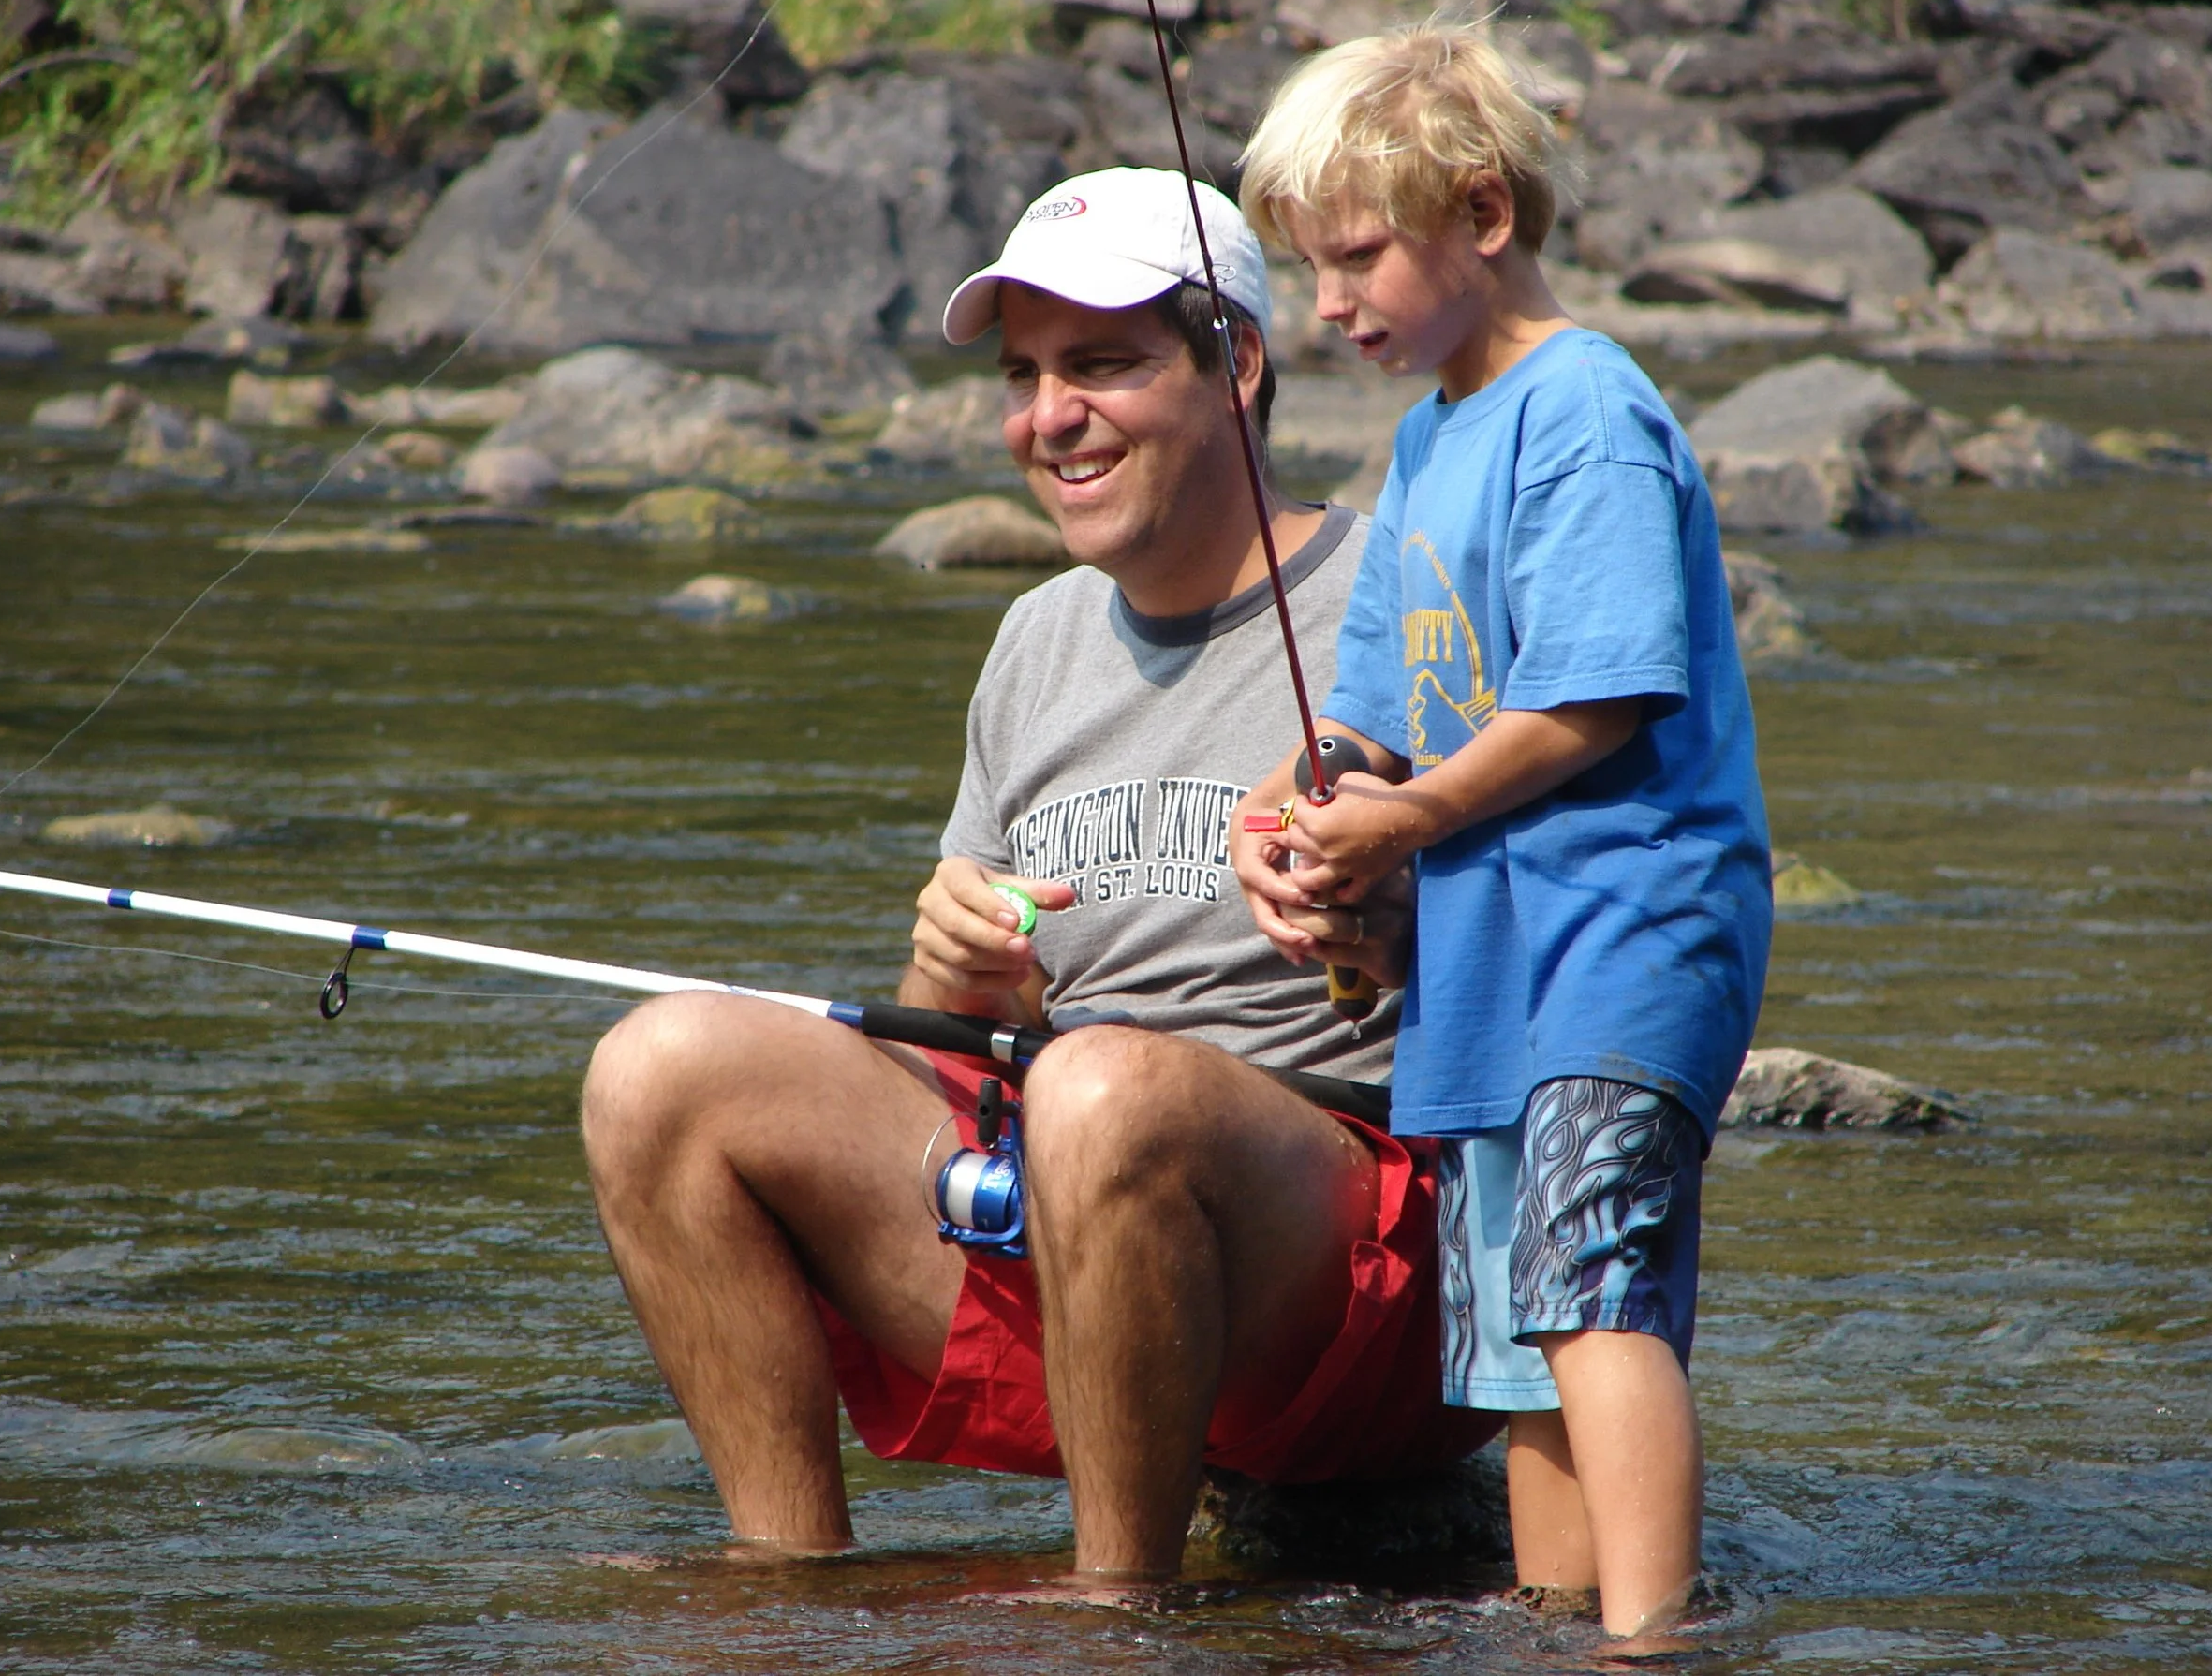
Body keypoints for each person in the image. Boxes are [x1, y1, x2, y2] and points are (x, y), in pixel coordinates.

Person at [579, 167, 1547, 1584]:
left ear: (1238, 365)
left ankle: (1116, 1613)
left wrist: (1404, 915)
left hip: (1361, 1264)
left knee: (1099, 1085)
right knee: (654, 1064)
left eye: (1101, 364)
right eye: (1025, 376)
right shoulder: (1034, 638)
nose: (1049, 417)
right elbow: (958, 1037)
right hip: (1079, 1217)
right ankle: (782, 1590)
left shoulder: (1402, 598)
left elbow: (1545, 947)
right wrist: (953, 972)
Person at [1231, 27, 1773, 1644]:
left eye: (1352, 258)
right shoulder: (1428, 443)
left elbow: (1597, 698)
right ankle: (1554, 1617)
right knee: (1514, 1338)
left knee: (1591, 1291)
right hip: (1490, 961)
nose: (1326, 305)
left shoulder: (1587, 406)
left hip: (1625, 935)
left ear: (1480, 211)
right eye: (1306, 269)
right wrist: (1292, 803)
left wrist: (1409, 815)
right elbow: (1379, 720)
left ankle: (1650, 1634)